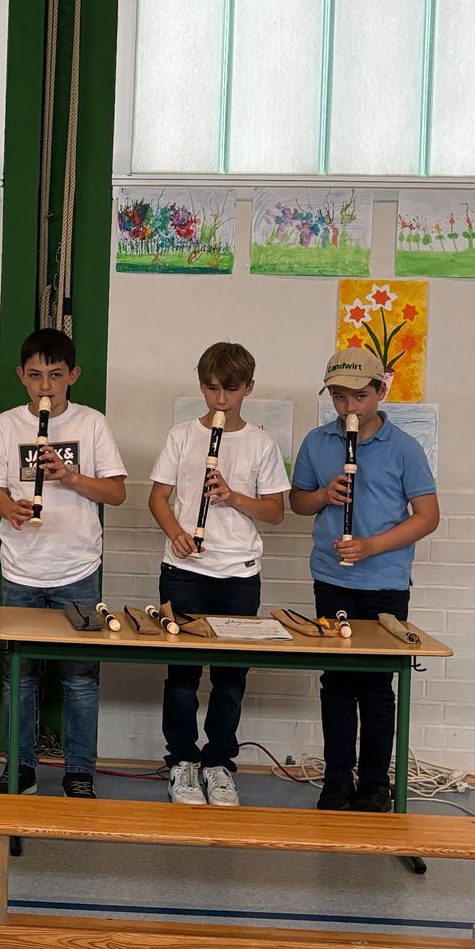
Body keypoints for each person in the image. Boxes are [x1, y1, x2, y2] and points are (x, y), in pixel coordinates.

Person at [0, 328, 127, 797]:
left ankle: (79, 771)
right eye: (36, 375)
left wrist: (72, 477)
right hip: (21, 570)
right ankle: (19, 768)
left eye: (56, 375)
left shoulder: (92, 424)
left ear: (73, 376)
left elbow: (116, 493)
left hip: (77, 569)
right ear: (21, 376)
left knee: (80, 678)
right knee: (19, 677)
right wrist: (11, 509)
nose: (46, 386)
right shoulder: (7, 425)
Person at [289, 349, 440, 812]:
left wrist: (372, 546)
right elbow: (298, 502)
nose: (349, 408)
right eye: (339, 398)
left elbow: (428, 516)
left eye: (359, 397)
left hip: (384, 582)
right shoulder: (318, 441)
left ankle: (375, 782)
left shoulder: (404, 448)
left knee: (376, 688)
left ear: (380, 391)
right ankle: (337, 779)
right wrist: (324, 495)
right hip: (332, 578)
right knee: (337, 683)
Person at [146, 342, 288, 806]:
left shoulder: (261, 443)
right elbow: (157, 498)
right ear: (201, 387)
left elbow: (275, 512)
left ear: (249, 388)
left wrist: (232, 497)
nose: (220, 400)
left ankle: (220, 763)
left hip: (239, 575)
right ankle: (182, 761)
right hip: (184, 570)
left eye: (230, 390)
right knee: (182, 675)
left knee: (230, 677)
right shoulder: (182, 436)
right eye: (211, 389)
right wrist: (176, 533)